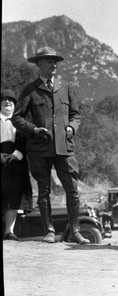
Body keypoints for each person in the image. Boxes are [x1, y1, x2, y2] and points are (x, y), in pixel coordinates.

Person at [11, 46, 89, 244]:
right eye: (49, 61)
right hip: (39, 148)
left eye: (55, 61)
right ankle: (50, 231)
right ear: (38, 64)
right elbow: (16, 117)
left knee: (72, 190)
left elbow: (76, 114)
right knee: (44, 191)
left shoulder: (66, 87)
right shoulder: (30, 90)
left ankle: (76, 231)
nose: (54, 64)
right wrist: (32, 129)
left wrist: (72, 127)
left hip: (65, 147)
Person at [1, 89, 33, 241]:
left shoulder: (20, 122)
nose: (7, 102)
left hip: (17, 161)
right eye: (4, 99)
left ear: (15, 104)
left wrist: (16, 155)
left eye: (11, 100)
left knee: (14, 197)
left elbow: (27, 141)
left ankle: (9, 231)